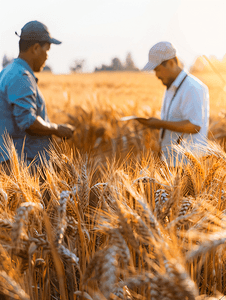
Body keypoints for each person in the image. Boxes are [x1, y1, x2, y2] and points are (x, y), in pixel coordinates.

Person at [0, 21, 75, 169]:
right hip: (22, 166)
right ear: (35, 48)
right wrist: (56, 129)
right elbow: (28, 121)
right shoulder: (21, 77)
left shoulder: (7, 72)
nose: (47, 57)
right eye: (46, 50)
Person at [136, 41, 209, 166]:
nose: (156, 75)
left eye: (157, 70)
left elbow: (194, 126)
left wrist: (159, 124)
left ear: (171, 63)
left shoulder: (192, 87)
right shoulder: (171, 87)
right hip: (172, 163)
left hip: (187, 166)